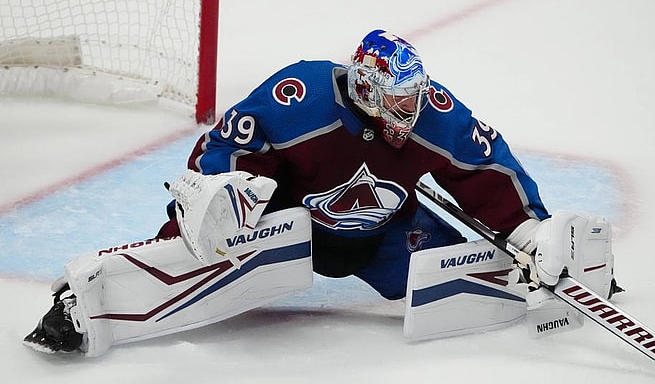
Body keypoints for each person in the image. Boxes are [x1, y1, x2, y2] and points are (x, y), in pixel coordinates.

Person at [23, 29, 617, 356]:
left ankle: (554, 267)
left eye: (415, 96)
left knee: (445, 279)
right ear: (364, 85)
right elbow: (221, 149)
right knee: (204, 250)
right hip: (286, 225)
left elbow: (486, 164)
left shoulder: (430, 114)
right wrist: (208, 204)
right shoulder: (299, 96)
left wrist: (530, 230)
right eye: (397, 99)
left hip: (385, 230)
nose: (409, 112)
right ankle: (89, 307)